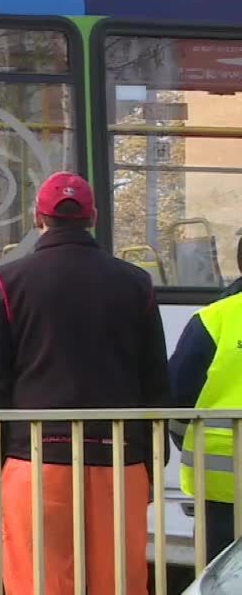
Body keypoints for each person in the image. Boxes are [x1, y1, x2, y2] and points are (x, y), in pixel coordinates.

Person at [0, 171, 171, 595]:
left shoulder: (7, 283)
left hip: (34, 457)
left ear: (37, 217)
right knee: (117, 582)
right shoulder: (137, 283)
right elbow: (155, 379)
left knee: (39, 581)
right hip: (119, 459)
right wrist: (152, 465)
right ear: (93, 217)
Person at [169, 233, 242, 563]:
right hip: (220, 487)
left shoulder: (214, 319)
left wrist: (187, 440)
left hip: (221, 487)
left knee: (219, 575)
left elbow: (174, 402)